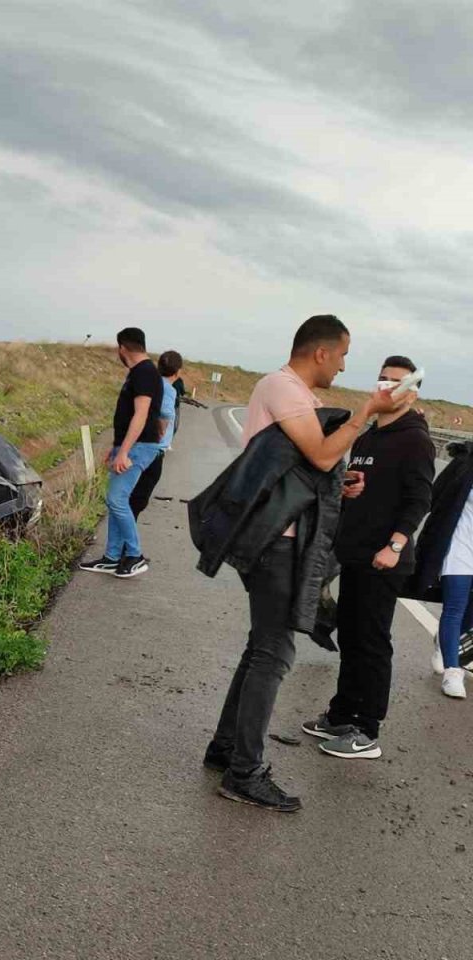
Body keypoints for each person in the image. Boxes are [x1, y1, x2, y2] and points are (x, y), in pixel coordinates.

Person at [191, 315, 399, 812]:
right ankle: (245, 772)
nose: (345, 365)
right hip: (275, 544)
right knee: (274, 654)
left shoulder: (300, 398)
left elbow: (311, 470)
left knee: (260, 649)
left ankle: (226, 749)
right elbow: (323, 455)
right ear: (321, 352)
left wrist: (338, 486)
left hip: (283, 540)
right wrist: (365, 413)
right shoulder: (283, 388)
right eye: (344, 355)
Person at [301, 357, 432, 759]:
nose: (386, 386)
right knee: (352, 637)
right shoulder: (369, 435)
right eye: (382, 379)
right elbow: (357, 483)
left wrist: (393, 547)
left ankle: (367, 729)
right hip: (354, 553)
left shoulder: (416, 439)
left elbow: (419, 500)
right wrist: (346, 488)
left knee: (372, 643)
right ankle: (341, 715)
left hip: (384, 559)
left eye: (395, 382)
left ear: (410, 392)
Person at [79, 328, 163, 579]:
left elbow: (141, 414)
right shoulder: (140, 372)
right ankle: (112, 557)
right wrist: (116, 448)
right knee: (117, 501)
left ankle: (134, 556)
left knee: (117, 499)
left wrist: (124, 451)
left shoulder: (145, 373)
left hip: (139, 447)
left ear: (122, 348)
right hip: (130, 447)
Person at [408, 440, 473, 698]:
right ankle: (452, 672)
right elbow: (433, 496)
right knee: (454, 606)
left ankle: (445, 641)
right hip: (460, 544)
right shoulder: (464, 462)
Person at [129, 350, 183, 520]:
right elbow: (165, 414)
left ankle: (120, 543)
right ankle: (124, 545)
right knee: (138, 501)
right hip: (152, 452)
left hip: (135, 447)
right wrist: (157, 437)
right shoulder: (167, 389)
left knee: (130, 497)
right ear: (178, 371)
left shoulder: (149, 383)